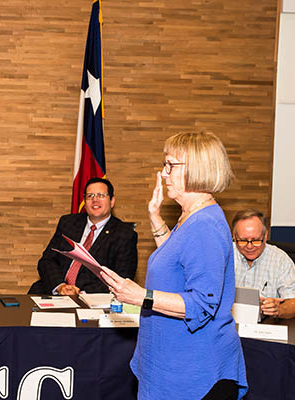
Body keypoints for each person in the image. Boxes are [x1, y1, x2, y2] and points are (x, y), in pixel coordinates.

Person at [103, 132, 247, 399]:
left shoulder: (205, 224)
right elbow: (177, 258)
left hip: (195, 370)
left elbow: (202, 305)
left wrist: (141, 296)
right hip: (172, 363)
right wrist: (155, 217)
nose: (164, 173)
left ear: (196, 169)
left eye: (171, 165)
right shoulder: (191, 217)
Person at [28, 177, 137, 295]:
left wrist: (81, 293)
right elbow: (47, 261)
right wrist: (60, 286)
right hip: (56, 291)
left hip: (92, 299)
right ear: (84, 202)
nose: (95, 200)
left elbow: (122, 278)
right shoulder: (68, 223)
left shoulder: (124, 234)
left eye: (101, 195)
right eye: (90, 196)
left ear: (112, 201)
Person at [232, 209, 295, 319]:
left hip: (266, 326)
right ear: (234, 237)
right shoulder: (223, 255)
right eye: (242, 241)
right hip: (228, 326)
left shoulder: (280, 260)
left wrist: (280, 309)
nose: (249, 246)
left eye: (256, 240)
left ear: (265, 237)